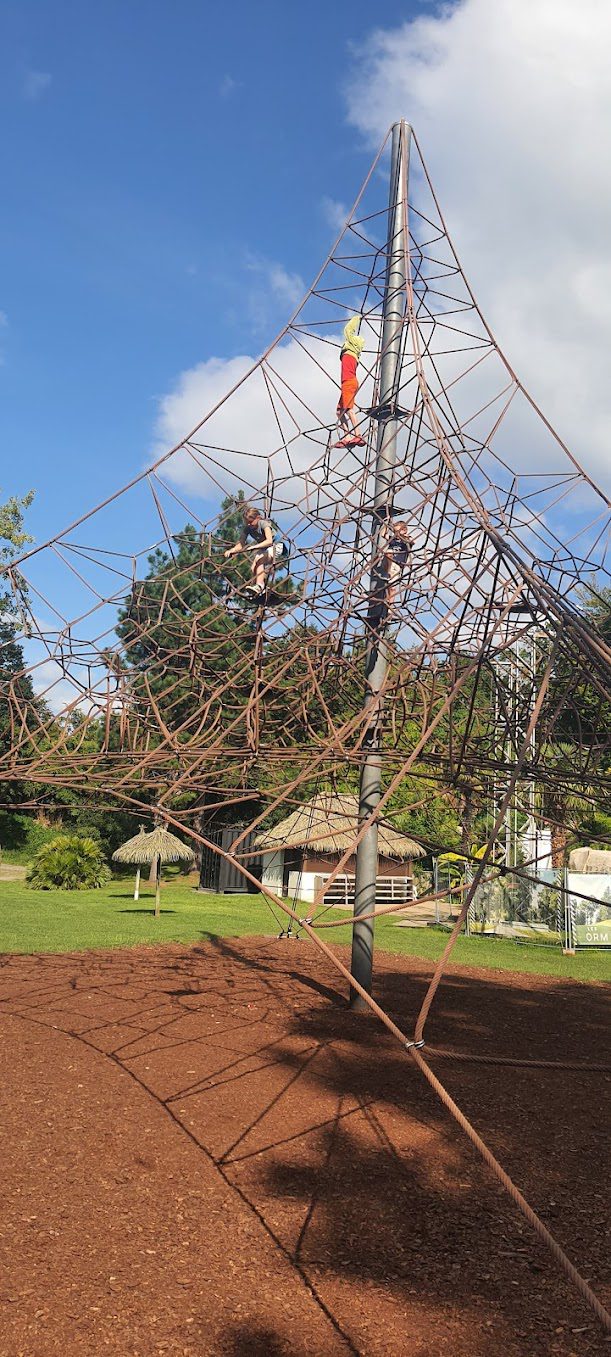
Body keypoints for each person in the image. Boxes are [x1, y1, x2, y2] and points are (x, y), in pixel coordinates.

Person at [223, 506, 287, 597]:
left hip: (276, 545)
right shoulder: (248, 529)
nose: (249, 525)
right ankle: (255, 589)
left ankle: (260, 586)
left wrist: (254, 547)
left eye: (250, 522)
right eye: (247, 523)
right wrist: (232, 550)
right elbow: (240, 544)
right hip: (264, 548)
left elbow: (269, 541)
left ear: (258, 518)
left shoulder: (263, 524)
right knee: (253, 568)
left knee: (260, 560)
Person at [334, 315, 366, 448]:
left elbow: (348, 330)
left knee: (348, 409)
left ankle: (358, 435)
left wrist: (356, 318)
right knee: (339, 411)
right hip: (347, 382)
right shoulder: (350, 353)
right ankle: (347, 437)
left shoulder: (352, 347)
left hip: (349, 382)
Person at [380, 519, 412, 608]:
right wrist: (386, 523)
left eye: (398, 531)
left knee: (392, 588)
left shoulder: (405, 541)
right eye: (395, 531)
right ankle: (388, 572)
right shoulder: (393, 540)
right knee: (388, 552)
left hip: (397, 566)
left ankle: (390, 607)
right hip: (388, 564)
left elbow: (412, 541)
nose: (396, 533)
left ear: (404, 530)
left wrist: (405, 537)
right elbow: (383, 534)